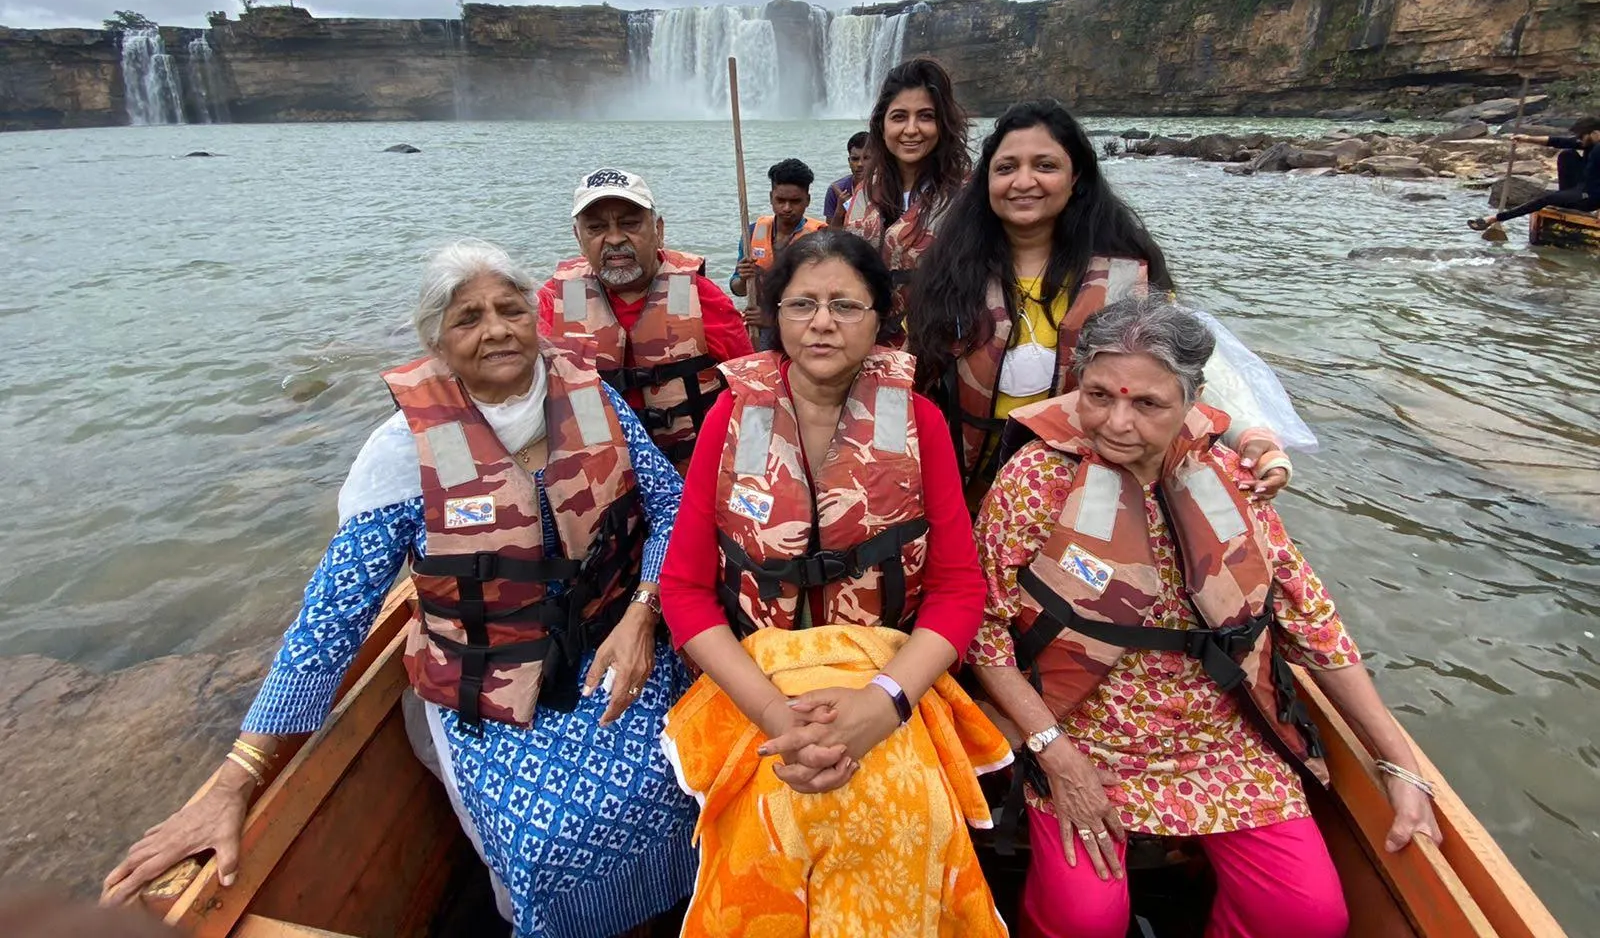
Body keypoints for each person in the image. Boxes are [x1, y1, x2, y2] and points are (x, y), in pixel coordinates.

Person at [104, 242, 699, 938]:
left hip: (613, 649)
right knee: (550, 840)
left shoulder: (593, 401)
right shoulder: (402, 450)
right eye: (468, 319)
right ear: (436, 344)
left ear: (536, 320)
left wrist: (641, 612)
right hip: (491, 686)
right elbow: (333, 615)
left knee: (688, 778)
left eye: (510, 310)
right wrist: (238, 777)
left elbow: (672, 508)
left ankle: (682, 913)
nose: (496, 330)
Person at [970, 295, 1441, 938]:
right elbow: (984, 631)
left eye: (1148, 404)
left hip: (1222, 737)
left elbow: (1310, 621)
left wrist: (1400, 765)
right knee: (1085, 921)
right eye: (1098, 396)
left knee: (1305, 917)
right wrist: (1055, 754)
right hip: (1081, 732)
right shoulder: (1036, 479)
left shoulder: (1229, 477)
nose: (1117, 423)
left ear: (1192, 400)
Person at [658, 229, 1011, 937]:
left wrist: (883, 704)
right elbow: (685, 590)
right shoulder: (731, 418)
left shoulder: (919, 422)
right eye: (803, 304)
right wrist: (773, 713)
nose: (822, 323)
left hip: (887, 671)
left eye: (845, 306)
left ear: (880, 320)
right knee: (771, 817)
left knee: (900, 814)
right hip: (757, 675)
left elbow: (957, 589)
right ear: (776, 317)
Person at [908, 100, 1291, 510]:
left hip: (1083, 487)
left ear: (1076, 178)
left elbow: (1190, 363)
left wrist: (1251, 436)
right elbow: (912, 372)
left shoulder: (1124, 276)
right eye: (1006, 168)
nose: (1023, 181)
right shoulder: (947, 275)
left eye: (1045, 166)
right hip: (961, 484)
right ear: (986, 181)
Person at [538, 167, 752, 471]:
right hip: (602, 478)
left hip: (691, 477)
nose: (614, 239)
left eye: (630, 224)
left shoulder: (701, 297)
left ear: (658, 230)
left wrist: (750, 474)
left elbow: (753, 393)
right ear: (578, 237)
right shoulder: (552, 302)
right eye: (596, 228)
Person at [844, 58, 973, 344]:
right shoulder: (865, 192)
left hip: (940, 347)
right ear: (882, 124)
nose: (911, 129)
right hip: (864, 346)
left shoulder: (968, 197)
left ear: (943, 124)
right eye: (899, 117)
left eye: (926, 116)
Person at [1468, 116, 1600, 230]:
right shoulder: (1590, 143)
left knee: (1546, 199)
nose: (1579, 139)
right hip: (1584, 187)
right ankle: (1565, 197)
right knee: (1567, 154)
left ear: (1595, 133)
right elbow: (1557, 141)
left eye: (1581, 136)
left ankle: (1494, 218)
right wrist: (1527, 138)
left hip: (1590, 197)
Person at [729, 157, 827, 302]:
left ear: (807, 200)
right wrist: (744, 279)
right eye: (780, 200)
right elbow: (738, 290)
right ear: (771, 198)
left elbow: (828, 288)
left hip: (803, 313)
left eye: (795, 201)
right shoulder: (752, 232)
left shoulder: (820, 236)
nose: (787, 208)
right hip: (760, 312)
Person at [823, 131, 869, 225]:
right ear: (849, 161)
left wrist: (851, 206)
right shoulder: (836, 190)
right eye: (855, 159)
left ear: (877, 159)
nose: (860, 164)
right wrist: (840, 211)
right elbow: (830, 232)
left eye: (866, 158)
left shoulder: (887, 189)